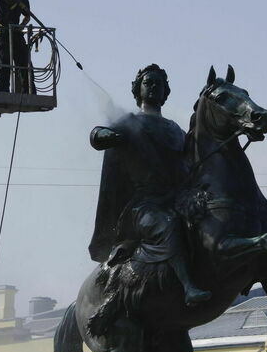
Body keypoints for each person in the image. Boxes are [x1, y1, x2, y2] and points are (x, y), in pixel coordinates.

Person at [88, 64, 212, 306]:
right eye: (149, 82)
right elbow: (97, 134)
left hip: (176, 198)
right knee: (167, 225)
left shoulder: (175, 129)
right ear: (138, 90)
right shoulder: (128, 121)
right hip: (143, 207)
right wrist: (102, 135)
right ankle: (188, 287)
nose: (154, 86)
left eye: (159, 84)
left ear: (166, 92)